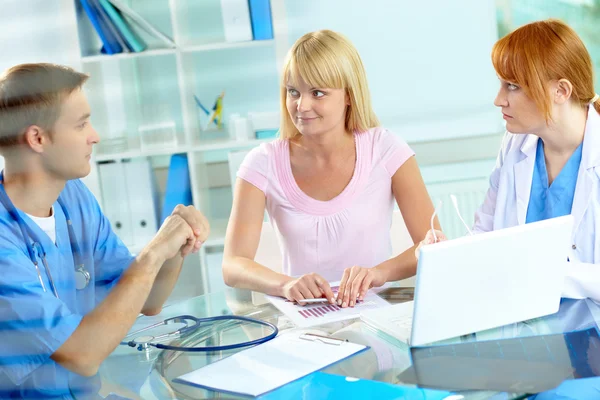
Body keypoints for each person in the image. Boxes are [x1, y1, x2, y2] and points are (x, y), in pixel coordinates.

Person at [0, 63, 210, 398]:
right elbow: (82, 356)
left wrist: (176, 245)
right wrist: (154, 251)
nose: (94, 135)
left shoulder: (73, 197)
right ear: (37, 138)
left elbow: (147, 299)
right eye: (81, 124)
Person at [222, 30, 438, 308]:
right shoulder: (261, 164)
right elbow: (233, 265)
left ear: (349, 95)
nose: (302, 105)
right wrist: (286, 284)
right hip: (305, 325)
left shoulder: (386, 149)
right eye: (293, 92)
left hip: (378, 318)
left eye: (318, 93)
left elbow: (432, 245)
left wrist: (377, 274)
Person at [417, 19, 600, 301]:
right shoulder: (516, 144)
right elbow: (486, 236)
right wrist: (446, 254)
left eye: (513, 86)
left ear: (561, 91)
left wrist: (539, 273)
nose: (499, 99)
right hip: (523, 315)